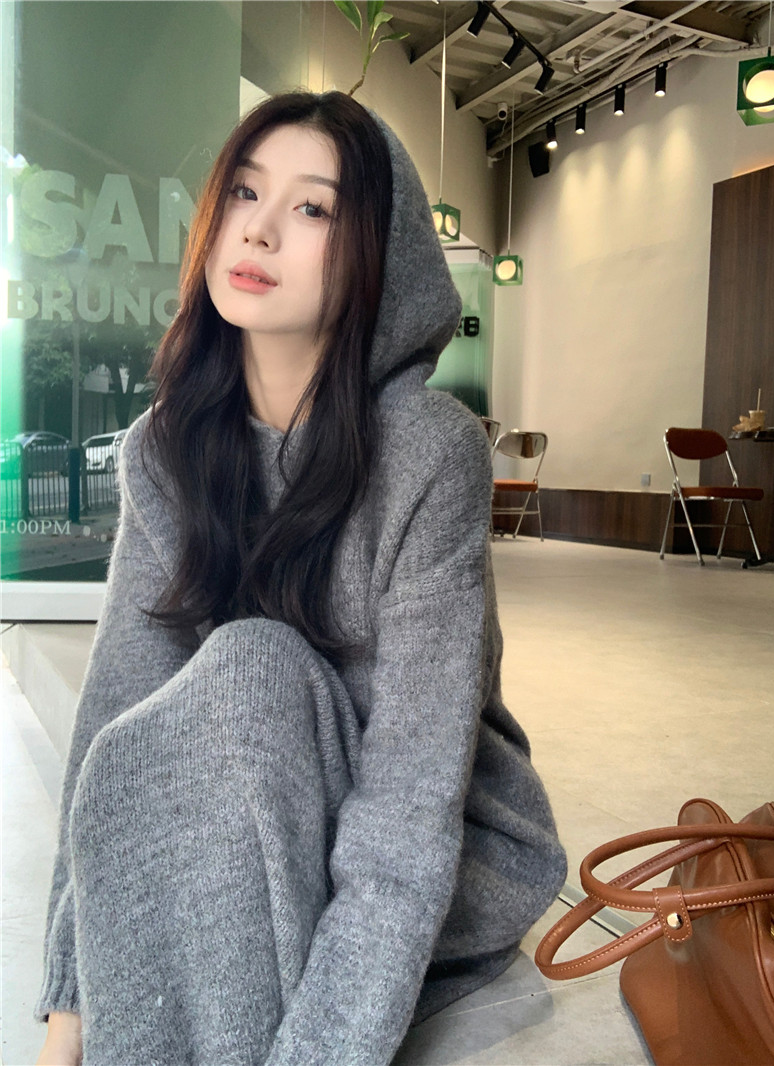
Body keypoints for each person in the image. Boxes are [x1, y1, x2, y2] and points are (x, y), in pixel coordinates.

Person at [34, 90, 566, 1066]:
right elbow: (117, 711)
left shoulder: (428, 452)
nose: (260, 228)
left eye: (312, 207)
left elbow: (410, 802)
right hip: (257, 824)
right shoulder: (167, 448)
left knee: (253, 665)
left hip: (427, 855)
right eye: (244, 192)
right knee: (169, 731)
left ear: (374, 253)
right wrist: (67, 1019)